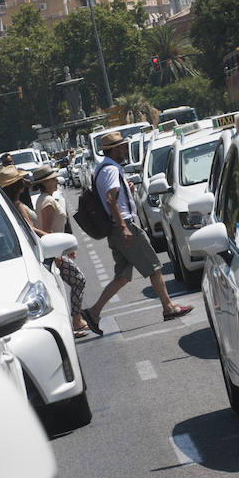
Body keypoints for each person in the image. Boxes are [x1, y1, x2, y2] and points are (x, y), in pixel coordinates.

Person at [81, 131, 192, 336]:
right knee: (154, 267)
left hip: (115, 228)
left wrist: (127, 190)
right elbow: (110, 199)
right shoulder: (112, 170)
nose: (124, 150)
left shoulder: (103, 169)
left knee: (123, 276)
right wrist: (124, 227)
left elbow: (112, 197)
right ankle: (168, 308)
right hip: (124, 227)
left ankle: (93, 312)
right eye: (122, 147)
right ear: (114, 150)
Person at [30, 164, 89, 338]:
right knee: (79, 280)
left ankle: (75, 320)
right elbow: (47, 232)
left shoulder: (45, 198)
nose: (57, 181)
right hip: (53, 253)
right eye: (53, 178)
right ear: (45, 182)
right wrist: (56, 254)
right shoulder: (48, 201)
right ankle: (76, 321)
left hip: (57, 251)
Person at [0, 165, 48, 237]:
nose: (24, 181)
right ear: (16, 185)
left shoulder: (4, 206)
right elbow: (31, 229)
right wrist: (50, 237)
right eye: (21, 179)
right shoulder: (17, 205)